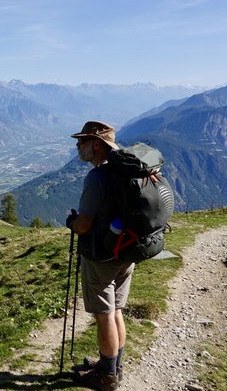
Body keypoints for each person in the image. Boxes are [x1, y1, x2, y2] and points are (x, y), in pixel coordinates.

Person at [66, 121, 134, 391]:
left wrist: (71, 223)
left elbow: (83, 225)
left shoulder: (98, 177)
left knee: (104, 314)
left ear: (96, 144)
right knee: (116, 309)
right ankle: (114, 366)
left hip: (102, 255)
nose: (77, 146)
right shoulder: (124, 171)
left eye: (82, 141)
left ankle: (107, 376)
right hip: (126, 250)